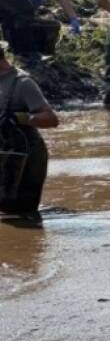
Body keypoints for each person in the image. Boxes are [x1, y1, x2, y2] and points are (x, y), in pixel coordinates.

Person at [0, 44, 59, 216]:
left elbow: (51, 119)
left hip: (26, 156)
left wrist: (20, 118)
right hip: (3, 153)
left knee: (23, 215)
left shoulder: (23, 83)